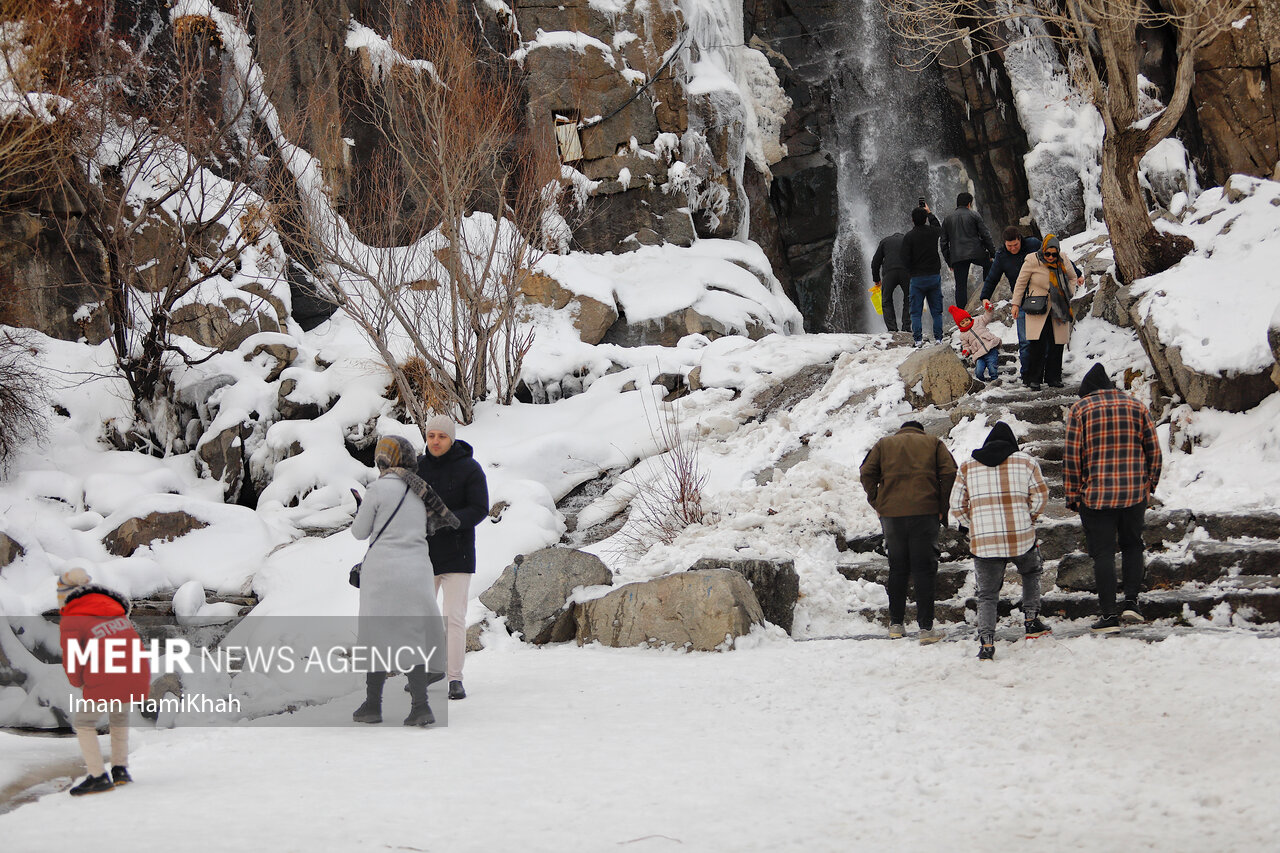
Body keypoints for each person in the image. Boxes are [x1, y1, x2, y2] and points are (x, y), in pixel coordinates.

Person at [351, 435, 457, 726]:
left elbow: (360, 533)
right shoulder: (421, 490)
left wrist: (361, 508)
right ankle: (420, 707)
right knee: (413, 635)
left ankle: (373, 706)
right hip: (417, 570)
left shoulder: (378, 489)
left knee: (375, 637)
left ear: (382, 458)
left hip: (382, 572)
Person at [1064, 364, 1163, 633]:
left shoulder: (1080, 409)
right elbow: (1153, 449)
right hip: (1133, 492)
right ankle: (1131, 602)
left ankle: (1109, 616)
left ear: (1088, 392)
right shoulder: (1136, 406)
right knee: (1133, 545)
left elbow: (1073, 458)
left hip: (1096, 496)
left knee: (1103, 553)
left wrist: (1073, 495)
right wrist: (1149, 484)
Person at [950, 422, 1052, 660]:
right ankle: (1031, 620)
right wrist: (1029, 518)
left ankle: (986, 642)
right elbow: (1041, 495)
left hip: (984, 542)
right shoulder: (1026, 462)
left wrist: (974, 524)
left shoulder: (967, 467)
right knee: (1031, 571)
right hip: (1021, 536)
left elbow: (956, 505)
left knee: (986, 593)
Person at [859, 421, 958, 644]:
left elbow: (866, 472)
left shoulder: (884, 444)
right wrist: (942, 507)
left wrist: (878, 502)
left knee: (898, 567)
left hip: (892, 516)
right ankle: (925, 628)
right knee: (924, 569)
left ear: (900, 430)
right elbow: (950, 472)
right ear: (920, 431)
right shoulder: (933, 443)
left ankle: (895, 625)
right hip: (925, 512)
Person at [58, 566, 151, 796]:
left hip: (107, 675)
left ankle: (98, 776)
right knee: (118, 715)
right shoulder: (113, 610)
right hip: (136, 672)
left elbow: (72, 659)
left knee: (83, 723)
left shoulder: (72, 618)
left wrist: (78, 682)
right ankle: (120, 770)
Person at [416, 414, 489, 701]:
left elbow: (479, 508)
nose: (435, 441)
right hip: (423, 554)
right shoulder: (416, 468)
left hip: (458, 554)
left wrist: (446, 520)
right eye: (431, 435)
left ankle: (455, 679)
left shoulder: (469, 468)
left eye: (441, 436)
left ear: (452, 439)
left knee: (453, 618)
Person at [1011, 233, 1082, 390]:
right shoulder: (1032, 260)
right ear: (1043, 250)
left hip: (1059, 306)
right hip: (1038, 306)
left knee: (1057, 344)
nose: (1050, 257)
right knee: (1038, 344)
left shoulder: (1063, 259)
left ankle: (1054, 377)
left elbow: (1072, 277)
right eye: (1047, 254)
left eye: (1053, 254)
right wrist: (1015, 304)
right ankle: (1034, 378)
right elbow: (1021, 283)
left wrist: (1068, 292)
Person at [982, 227, 1041, 382]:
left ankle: (1044, 372)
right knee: (1025, 340)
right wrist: (985, 297)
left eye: (1015, 245)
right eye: (1010, 246)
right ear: (1005, 243)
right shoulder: (1002, 256)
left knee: (1043, 338)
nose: (1013, 248)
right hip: (1020, 300)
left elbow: (1054, 257)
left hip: (1041, 296)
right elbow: (992, 277)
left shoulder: (1033, 244)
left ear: (1020, 239)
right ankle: (1027, 374)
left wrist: (1076, 273)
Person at [900, 204, 945, 347]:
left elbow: (904, 258)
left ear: (912, 220)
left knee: (916, 311)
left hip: (917, 278)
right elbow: (939, 228)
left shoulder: (909, 236)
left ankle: (918, 340)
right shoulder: (933, 232)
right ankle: (938, 339)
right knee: (936, 310)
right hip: (933, 276)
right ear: (926, 219)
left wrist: (910, 272)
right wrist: (930, 213)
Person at [941, 191, 994, 310]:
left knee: (960, 286)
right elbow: (986, 235)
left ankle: (962, 313)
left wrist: (949, 261)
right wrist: (992, 253)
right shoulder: (974, 215)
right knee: (990, 264)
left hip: (958, 256)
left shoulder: (947, 219)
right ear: (969, 204)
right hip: (977, 252)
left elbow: (943, 243)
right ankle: (987, 293)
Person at [949, 301, 1003, 383]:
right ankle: (982, 383)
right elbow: (966, 346)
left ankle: (995, 381)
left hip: (990, 348)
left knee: (992, 368)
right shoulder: (963, 335)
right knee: (978, 372)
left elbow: (987, 317)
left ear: (969, 318)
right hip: (979, 354)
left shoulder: (978, 321)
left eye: (966, 320)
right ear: (960, 325)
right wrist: (966, 351)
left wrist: (989, 310)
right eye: (962, 323)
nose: (966, 323)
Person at [870, 231, 910, 333]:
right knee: (909, 299)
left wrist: (876, 279)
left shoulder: (885, 241)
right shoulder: (909, 240)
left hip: (889, 273)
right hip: (906, 272)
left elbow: (875, 262)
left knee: (886, 300)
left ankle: (892, 329)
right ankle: (906, 328)